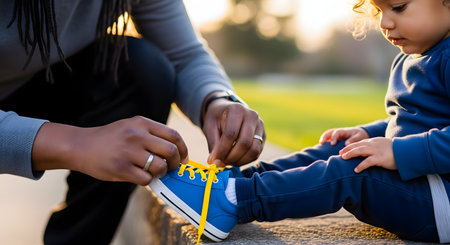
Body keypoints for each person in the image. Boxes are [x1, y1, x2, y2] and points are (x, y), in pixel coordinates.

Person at [148, 0, 450, 243]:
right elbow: (412, 122)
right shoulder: (414, 56)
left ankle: (235, 202)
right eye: (378, 10)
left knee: (352, 172)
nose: (385, 23)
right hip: (424, 188)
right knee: (346, 148)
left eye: (398, 8)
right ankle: (234, 185)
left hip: (440, 205)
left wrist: (398, 152)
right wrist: (367, 133)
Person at [0, 0, 266, 244]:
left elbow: (184, 54)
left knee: (143, 69)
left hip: (39, 81)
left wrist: (217, 101)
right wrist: (75, 144)